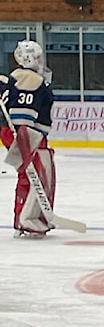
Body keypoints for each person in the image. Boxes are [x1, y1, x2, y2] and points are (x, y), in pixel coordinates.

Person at [2, 41, 56, 236]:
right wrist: (26, 136)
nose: (41, 61)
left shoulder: (15, 78)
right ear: (29, 58)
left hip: (23, 133)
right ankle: (25, 219)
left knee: (34, 173)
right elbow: (22, 115)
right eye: (38, 57)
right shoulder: (30, 80)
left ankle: (27, 218)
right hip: (26, 134)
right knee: (32, 175)